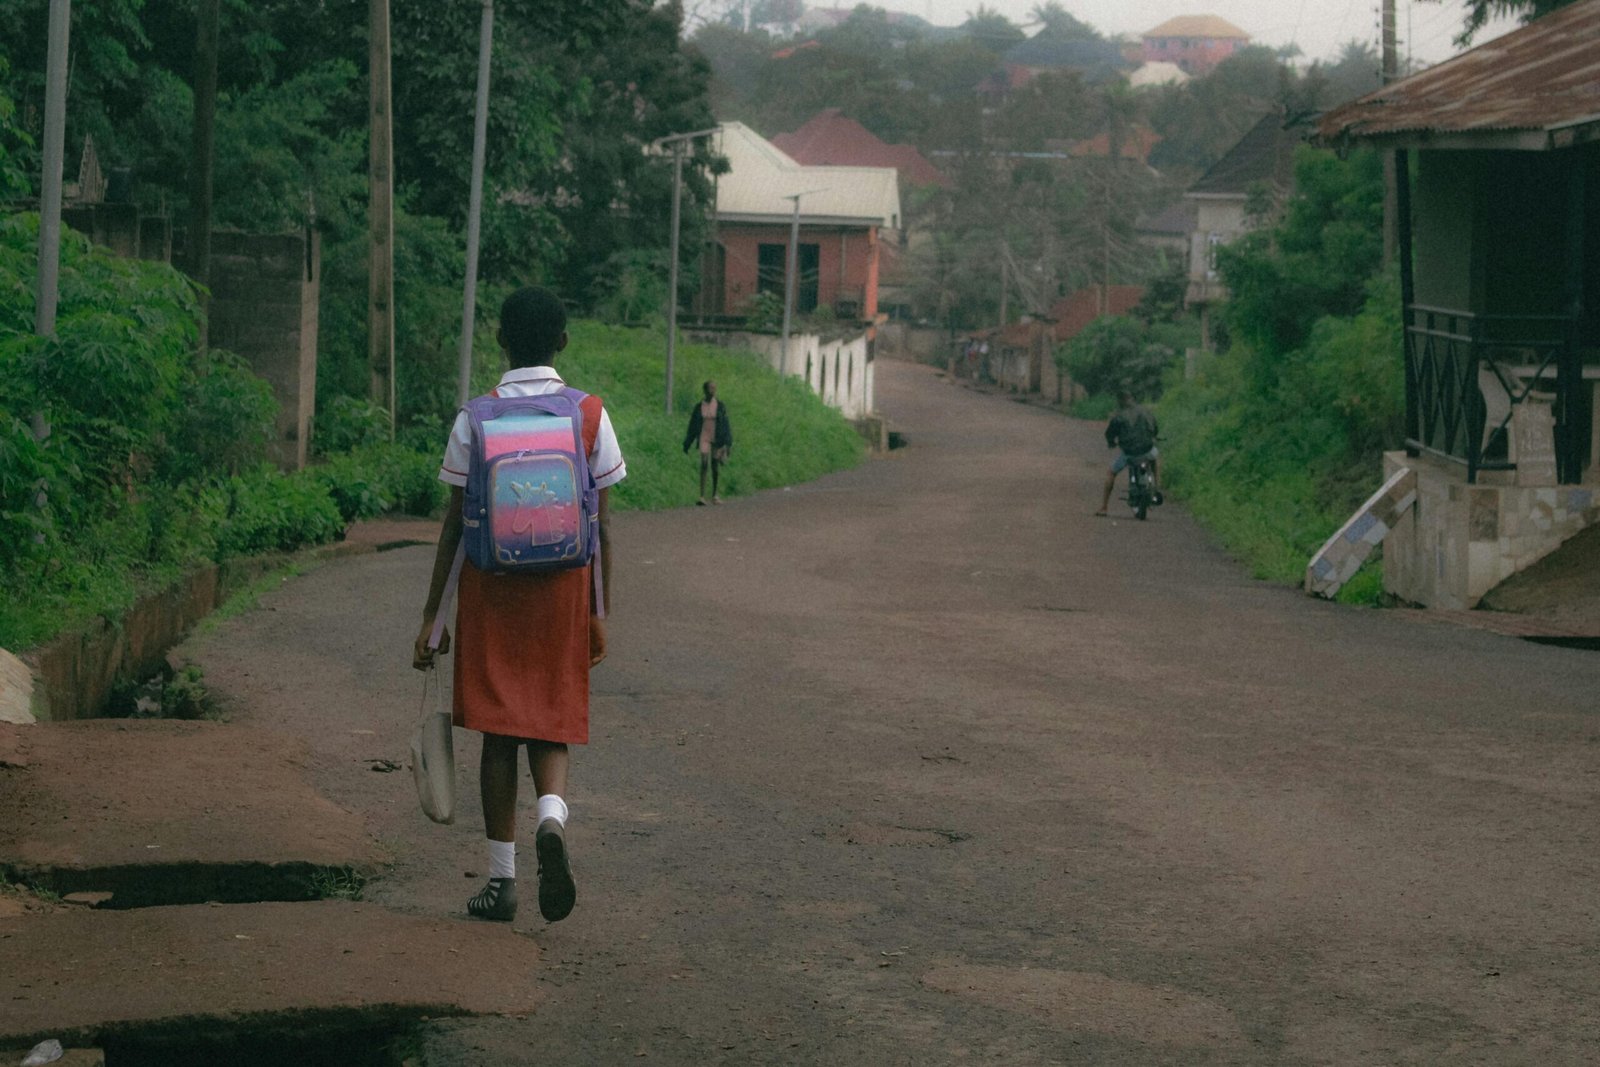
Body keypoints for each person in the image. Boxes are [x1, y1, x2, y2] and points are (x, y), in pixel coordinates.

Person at [413, 286, 626, 924]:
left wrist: (434, 617)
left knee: (499, 735)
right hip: (565, 591)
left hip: (491, 590)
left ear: (501, 341)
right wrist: (599, 613)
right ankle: (552, 820)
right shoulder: (589, 415)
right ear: (562, 341)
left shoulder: (474, 418)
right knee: (550, 718)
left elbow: (453, 527)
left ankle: (502, 882)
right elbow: (604, 526)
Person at [1096, 389, 1160, 517]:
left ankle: (1104, 507)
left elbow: (1109, 434)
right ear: (1132, 398)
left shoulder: (1118, 416)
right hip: (1147, 450)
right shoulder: (1146, 412)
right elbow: (1155, 428)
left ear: (1120, 401)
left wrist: (1111, 443)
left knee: (1111, 473)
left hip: (1129, 453)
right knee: (1155, 460)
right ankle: (1156, 487)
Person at [682, 379, 732, 505]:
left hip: (716, 436)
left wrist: (727, 442)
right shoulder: (699, 407)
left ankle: (714, 494)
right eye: (710, 388)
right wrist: (687, 442)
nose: (712, 391)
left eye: (714, 388)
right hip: (704, 434)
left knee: (714, 465)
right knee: (704, 463)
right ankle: (702, 496)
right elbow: (693, 426)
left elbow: (725, 424)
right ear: (704, 390)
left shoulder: (720, 406)